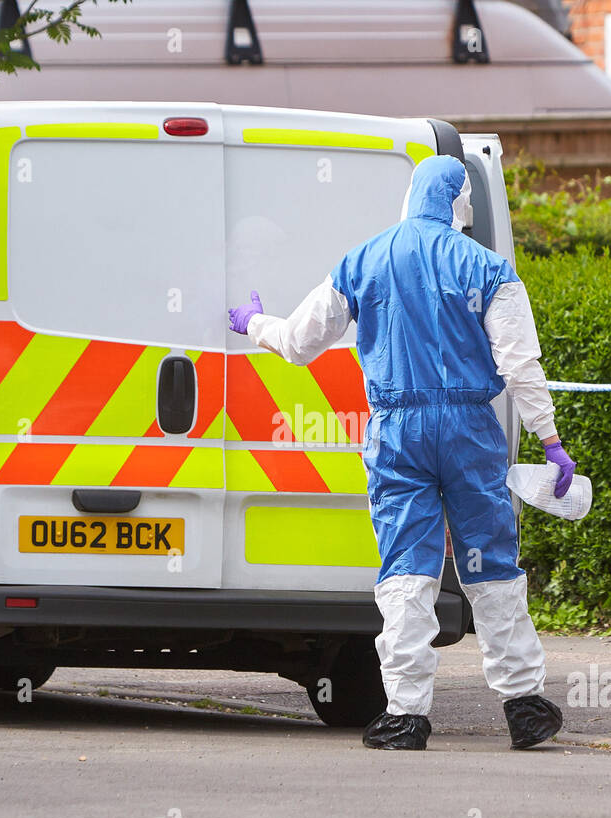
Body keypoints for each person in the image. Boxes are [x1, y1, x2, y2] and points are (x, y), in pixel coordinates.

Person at [228, 155, 571, 751]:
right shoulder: (489, 269)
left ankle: (406, 714)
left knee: (407, 572)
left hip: (397, 433)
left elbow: (298, 344)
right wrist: (551, 442)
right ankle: (524, 704)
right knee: (491, 564)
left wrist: (254, 320)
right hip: (469, 431)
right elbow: (520, 365)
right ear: (461, 203)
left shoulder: (362, 261)